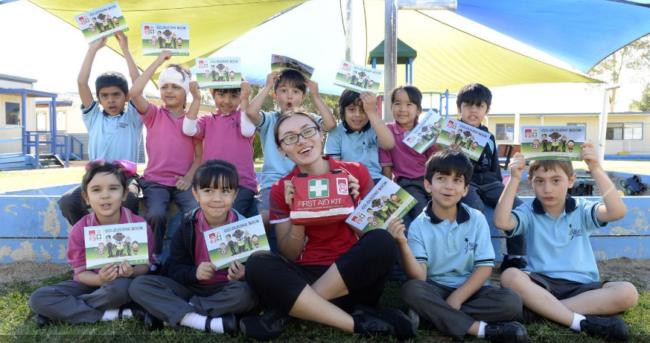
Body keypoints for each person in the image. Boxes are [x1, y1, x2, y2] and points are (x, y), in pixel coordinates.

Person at [240, 112, 416, 340]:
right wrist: (298, 212)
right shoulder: (281, 189)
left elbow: (368, 238)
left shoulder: (356, 172)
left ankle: (291, 311)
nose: (302, 140)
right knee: (258, 262)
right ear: (281, 148)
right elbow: (290, 254)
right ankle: (357, 322)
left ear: (320, 134)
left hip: (352, 276)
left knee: (381, 240)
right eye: (290, 138)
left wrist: (354, 205)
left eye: (307, 131)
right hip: (306, 273)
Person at [494, 144, 639, 341]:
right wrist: (514, 178)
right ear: (532, 183)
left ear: (571, 180)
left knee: (628, 292)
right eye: (540, 181)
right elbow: (502, 222)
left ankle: (544, 311)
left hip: (583, 287)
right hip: (542, 284)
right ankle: (580, 321)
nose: (547, 189)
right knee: (510, 275)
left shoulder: (581, 209)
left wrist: (595, 168)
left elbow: (617, 211)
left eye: (556, 180)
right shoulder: (528, 212)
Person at [388, 150, 528, 342]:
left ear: (465, 189)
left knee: (512, 301)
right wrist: (402, 244)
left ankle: (432, 316)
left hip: (471, 289)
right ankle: (482, 330)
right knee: (411, 289)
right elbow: (419, 276)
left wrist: (458, 298)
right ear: (428, 185)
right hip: (435, 287)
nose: (449, 187)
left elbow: (484, 267)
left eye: (457, 180)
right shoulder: (419, 226)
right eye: (441, 178)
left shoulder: (476, 219)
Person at [128, 160, 258, 334]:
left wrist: (244, 274)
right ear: (196, 194)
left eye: (225, 191)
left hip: (226, 290)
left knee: (247, 294)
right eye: (208, 191)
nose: (217, 198)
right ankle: (204, 321)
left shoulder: (245, 228)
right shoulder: (188, 225)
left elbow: (260, 271)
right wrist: (194, 273)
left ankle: (172, 312)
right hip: (190, 288)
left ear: (235, 195)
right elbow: (174, 268)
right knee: (139, 285)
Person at [30, 161, 155, 326]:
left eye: (113, 188)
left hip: (122, 285)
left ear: (124, 194)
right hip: (91, 283)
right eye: (96, 190)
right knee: (39, 298)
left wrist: (131, 272)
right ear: (86, 197)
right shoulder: (79, 229)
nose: (105, 195)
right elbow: (81, 273)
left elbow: (146, 266)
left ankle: (62, 311)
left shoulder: (138, 225)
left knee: (122, 289)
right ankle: (120, 313)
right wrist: (100, 279)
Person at [58, 32, 142, 226]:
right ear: (99, 98)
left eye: (116, 94)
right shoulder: (93, 116)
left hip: (125, 178)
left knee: (129, 199)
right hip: (96, 177)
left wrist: (125, 50)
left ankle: (128, 246)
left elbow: (138, 83)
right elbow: (81, 82)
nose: (111, 100)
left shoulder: (133, 116)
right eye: (104, 96)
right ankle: (92, 238)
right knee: (67, 201)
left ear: (127, 96)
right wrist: (93, 49)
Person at [244, 70, 336, 247]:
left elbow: (330, 124)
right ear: (275, 94)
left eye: (295, 92)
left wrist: (316, 96)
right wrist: (267, 86)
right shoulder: (270, 119)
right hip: (273, 184)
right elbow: (251, 112)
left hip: (306, 183)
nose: (289, 96)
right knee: (266, 218)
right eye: (284, 90)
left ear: (303, 96)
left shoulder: (310, 119)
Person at [129, 51, 202, 256]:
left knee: (195, 213)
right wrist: (159, 61)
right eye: (164, 87)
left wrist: (188, 178)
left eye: (176, 86)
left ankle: (190, 255)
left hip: (183, 182)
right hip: (155, 182)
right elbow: (135, 93)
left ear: (186, 90)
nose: (169, 91)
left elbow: (199, 155)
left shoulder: (193, 120)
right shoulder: (153, 114)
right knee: (156, 214)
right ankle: (154, 256)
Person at [456, 83, 527, 271]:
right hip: (465, 183)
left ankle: (514, 257)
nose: (473, 110)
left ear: (487, 109)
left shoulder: (489, 136)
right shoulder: (451, 132)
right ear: (459, 108)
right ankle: (474, 258)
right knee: (476, 209)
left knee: (519, 207)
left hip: (490, 183)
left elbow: (494, 165)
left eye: (479, 106)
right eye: (468, 105)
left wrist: (502, 189)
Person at [183, 81, 259, 217]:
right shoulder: (207, 120)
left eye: (234, 96)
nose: (227, 101)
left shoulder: (243, 117)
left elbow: (248, 131)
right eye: (221, 94)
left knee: (229, 217)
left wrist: (245, 99)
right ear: (213, 94)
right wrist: (196, 99)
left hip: (242, 184)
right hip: (213, 184)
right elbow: (188, 129)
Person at [379, 86, 436, 226]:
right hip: (407, 182)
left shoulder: (426, 129)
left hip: (430, 180)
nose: (403, 109)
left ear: (419, 110)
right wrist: (387, 190)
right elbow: (387, 165)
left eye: (409, 104)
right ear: (391, 107)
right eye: (397, 103)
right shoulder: (387, 131)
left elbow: (434, 159)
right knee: (422, 211)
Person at [325, 90, 395, 185]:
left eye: (363, 110)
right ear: (342, 111)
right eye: (352, 109)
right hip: (348, 181)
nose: (357, 115)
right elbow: (333, 166)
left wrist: (372, 112)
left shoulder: (374, 128)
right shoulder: (336, 132)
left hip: (375, 180)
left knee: (405, 200)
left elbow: (389, 144)